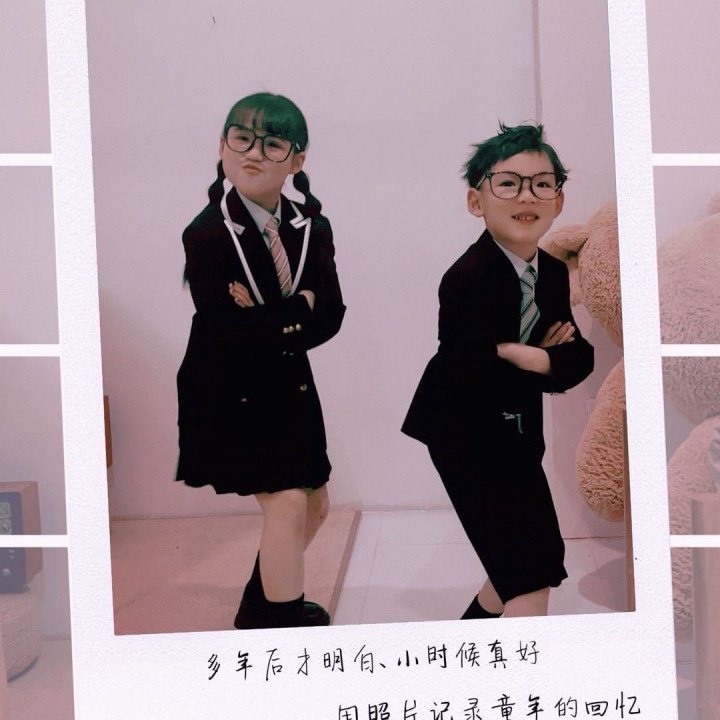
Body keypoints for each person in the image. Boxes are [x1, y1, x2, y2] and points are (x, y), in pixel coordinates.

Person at [402, 123, 594, 620]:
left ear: (558, 201)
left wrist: (533, 356)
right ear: (476, 201)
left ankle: (472, 639)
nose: (526, 196)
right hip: (463, 437)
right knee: (528, 575)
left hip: (518, 436)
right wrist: (540, 359)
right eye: (508, 183)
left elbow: (579, 355)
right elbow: (472, 374)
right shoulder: (466, 278)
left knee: (536, 556)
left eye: (542, 184)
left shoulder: (552, 273)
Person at [176, 92, 345, 629]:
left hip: (290, 383)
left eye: (272, 144)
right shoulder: (206, 233)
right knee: (288, 503)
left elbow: (332, 314)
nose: (253, 153)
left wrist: (269, 316)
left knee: (315, 506)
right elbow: (228, 331)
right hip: (228, 388)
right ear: (222, 146)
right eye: (242, 139)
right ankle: (282, 625)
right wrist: (298, 307)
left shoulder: (312, 227)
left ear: (297, 160)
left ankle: (260, 604)